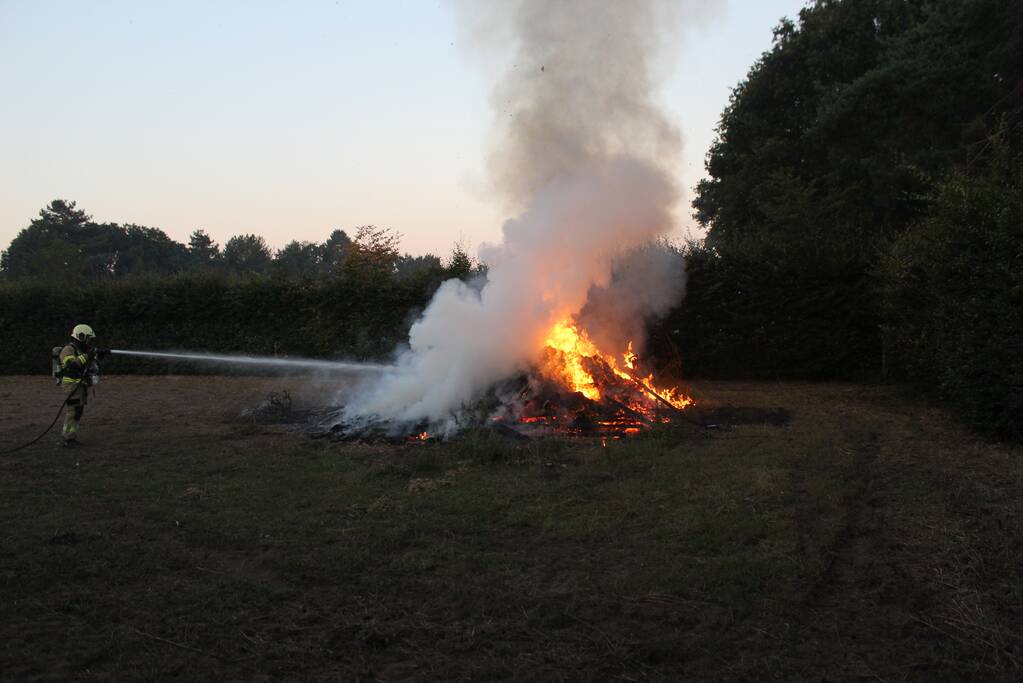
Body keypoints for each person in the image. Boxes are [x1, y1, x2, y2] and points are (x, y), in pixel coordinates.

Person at [59, 324, 101, 446]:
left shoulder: (82, 350)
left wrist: (98, 355)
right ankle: (68, 438)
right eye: (88, 338)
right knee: (73, 411)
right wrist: (88, 355)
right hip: (71, 386)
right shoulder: (68, 350)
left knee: (78, 411)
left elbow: (88, 364)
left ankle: (72, 436)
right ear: (81, 336)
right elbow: (72, 366)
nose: (90, 341)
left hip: (80, 386)